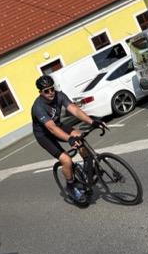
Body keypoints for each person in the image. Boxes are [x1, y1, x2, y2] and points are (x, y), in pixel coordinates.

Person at [31, 74, 106, 202]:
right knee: (66, 160)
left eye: (52, 89)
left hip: (57, 126)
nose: (51, 92)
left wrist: (92, 122)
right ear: (40, 92)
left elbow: (75, 110)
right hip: (45, 135)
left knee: (79, 136)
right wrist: (69, 139)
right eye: (46, 91)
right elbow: (51, 128)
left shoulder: (59, 95)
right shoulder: (38, 107)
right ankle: (70, 186)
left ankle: (87, 170)